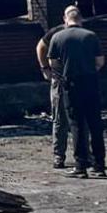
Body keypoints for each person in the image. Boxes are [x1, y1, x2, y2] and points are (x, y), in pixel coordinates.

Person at [46, 5, 107, 178]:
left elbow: (52, 63)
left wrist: (62, 74)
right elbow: (100, 61)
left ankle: (80, 166)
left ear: (65, 19)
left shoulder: (58, 37)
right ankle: (99, 165)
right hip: (91, 82)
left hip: (70, 84)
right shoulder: (91, 36)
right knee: (95, 124)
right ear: (80, 19)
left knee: (76, 124)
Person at [35, 14, 69, 169]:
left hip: (78, 81)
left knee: (80, 120)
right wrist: (45, 69)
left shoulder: (84, 33)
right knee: (60, 119)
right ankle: (59, 155)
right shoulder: (56, 32)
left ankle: (84, 154)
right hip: (60, 80)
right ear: (64, 19)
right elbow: (40, 46)